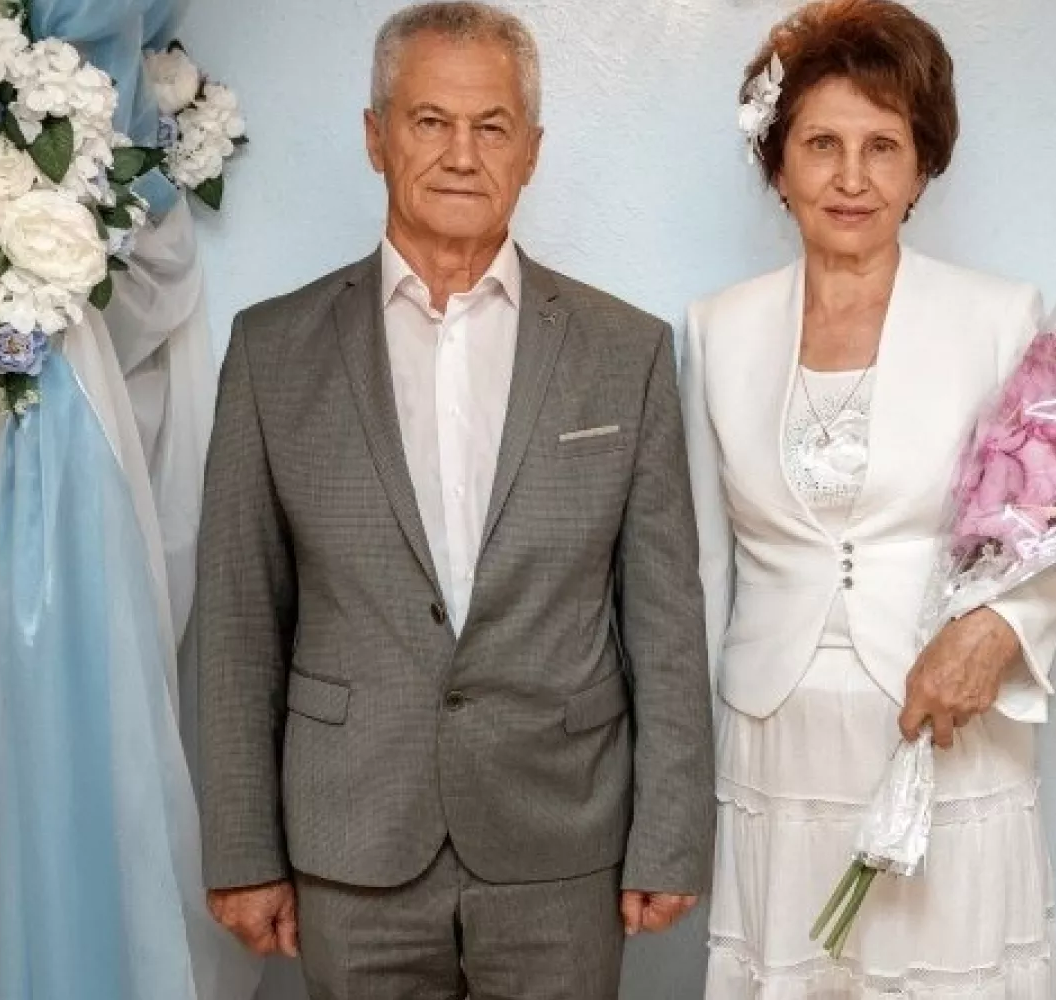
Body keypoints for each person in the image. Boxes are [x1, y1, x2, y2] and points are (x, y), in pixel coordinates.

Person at [193, 5, 715, 997]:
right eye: (430, 121)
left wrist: (672, 833)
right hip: (351, 840)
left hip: (561, 839)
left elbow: (665, 618)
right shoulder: (272, 353)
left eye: (492, 126)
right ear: (376, 136)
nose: (462, 155)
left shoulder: (626, 351)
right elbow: (237, 621)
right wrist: (243, 847)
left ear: (532, 151)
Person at [683, 1, 1056, 995]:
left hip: (944, 724)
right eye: (822, 145)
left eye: (882, 146)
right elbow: (702, 560)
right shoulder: (715, 328)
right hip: (776, 736)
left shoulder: (999, 316)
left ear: (922, 167)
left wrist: (995, 632)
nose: (852, 177)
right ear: (779, 164)